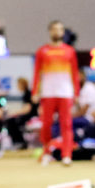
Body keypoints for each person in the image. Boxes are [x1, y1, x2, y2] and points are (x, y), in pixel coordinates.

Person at [33, 20, 80, 166]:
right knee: (46, 124)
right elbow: (37, 73)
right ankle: (47, 153)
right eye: (54, 29)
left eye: (60, 29)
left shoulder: (70, 51)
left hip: (65, 92)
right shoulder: (42, 51)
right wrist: (35, 91)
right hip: (48, 92)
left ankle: (67, 155)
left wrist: (76, 93)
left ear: (63, 32)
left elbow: (74, 73)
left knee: (66, 124)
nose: (57, 32)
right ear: (50, 31)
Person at [4, 77, 38, 150]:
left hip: (31, 116)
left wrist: (14, 113)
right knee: (11, 121)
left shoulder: (28, 94)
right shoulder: (26, 93)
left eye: (18, 84)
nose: (17, 86)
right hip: (28, 115)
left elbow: (27, 109)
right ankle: (18, 142)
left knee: (12, 122)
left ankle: (19, 142)